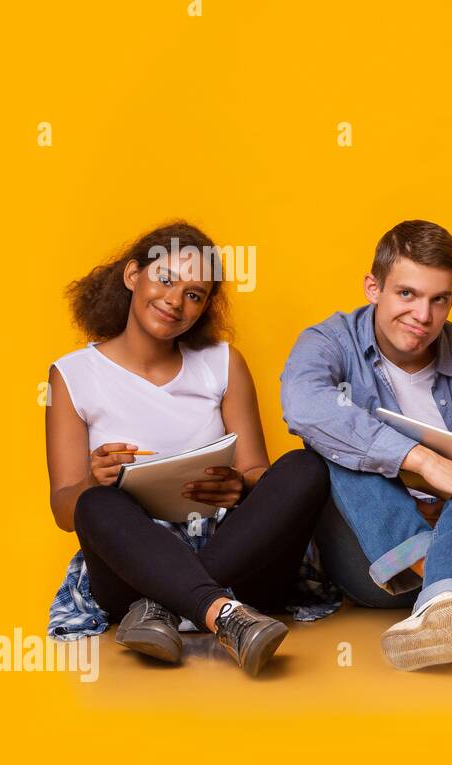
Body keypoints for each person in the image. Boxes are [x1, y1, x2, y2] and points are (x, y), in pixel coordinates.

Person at [45, 222, 330, 676]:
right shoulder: (72, 374)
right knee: (97, 501)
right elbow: (64, 510)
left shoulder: (222, 362)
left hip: (238, 559)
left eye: (194, 294)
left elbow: (260, 471)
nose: (176, 301)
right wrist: (91, 481)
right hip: (131, 570)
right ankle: (225, 616)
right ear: (132, 275)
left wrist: (240, 485)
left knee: (305, 466)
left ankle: (168, 605)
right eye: (165, 279)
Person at [282, 220, 452, 670]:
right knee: (332, 447)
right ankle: (445, 586)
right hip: (378, 563)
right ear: (373, 287)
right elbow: (302, 405)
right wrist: (425, 464)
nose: (423, 316)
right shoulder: (329, 341)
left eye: (440, 300)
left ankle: (450, 590)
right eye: (407, 294)